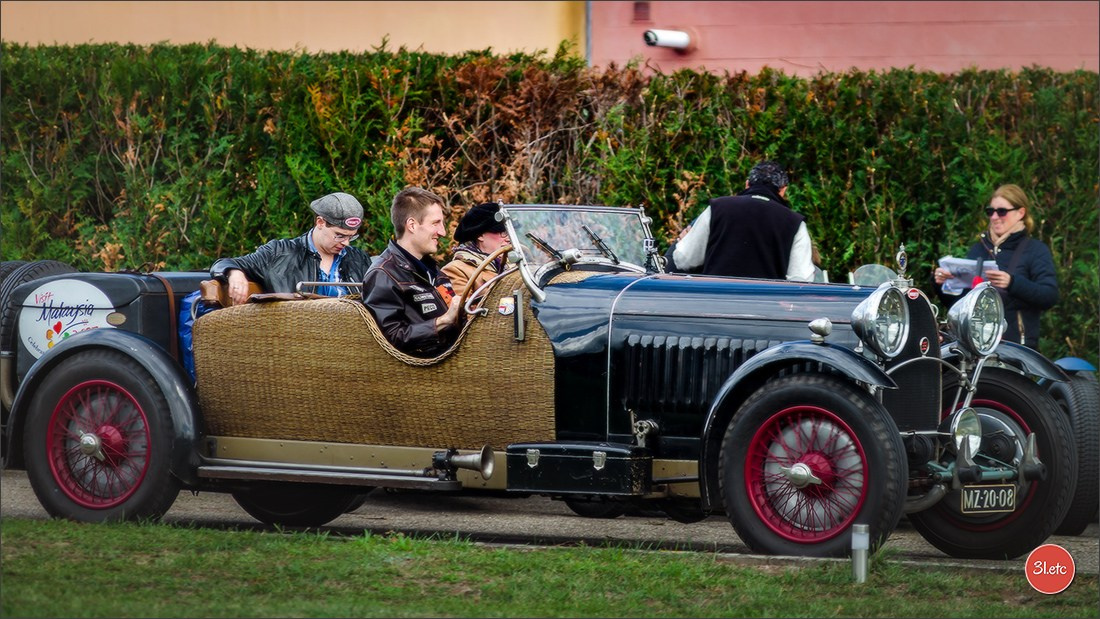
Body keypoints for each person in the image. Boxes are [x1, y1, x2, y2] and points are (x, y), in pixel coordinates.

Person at [933, 183, 1058, 350]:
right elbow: (959, 304)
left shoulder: (1035, 250)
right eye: (990, 211)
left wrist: (1012, 283)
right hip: (975, 344)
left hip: (1015, 348)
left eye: (1002, 211)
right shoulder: (979, 248)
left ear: (1020, 213)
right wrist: (942, 283)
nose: (994, 217)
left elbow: (1049, 296)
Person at [210, 191, 374, 303]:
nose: (346, 243)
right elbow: (223, 263)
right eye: (339, 235)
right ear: (320, 222)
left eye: (351, 236)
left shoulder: (358, 259)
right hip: (295, 342)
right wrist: (235, 274)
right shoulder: (279, 253)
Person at [668, 161, 815, 281]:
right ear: (783, 190)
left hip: (714, 305)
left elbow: (684, 260)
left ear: (747, 184)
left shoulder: (717, 208)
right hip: (765, 311)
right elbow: (801, 280)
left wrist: (684, 241)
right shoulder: (795, 223)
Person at [361, 187, 463, 357]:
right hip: (419, 375)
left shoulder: (433, 270)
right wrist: (443, 321)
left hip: (450, 362)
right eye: (436, 223)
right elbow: (388, 340)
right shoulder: (383, 274)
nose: (443, 232)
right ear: (412, 225)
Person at [441, 202, 511, 298]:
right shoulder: (456, 270)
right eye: (503, 232)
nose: (508, 238)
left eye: (510, 232)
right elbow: (462, 311)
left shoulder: (514, 264)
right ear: (480, 235)